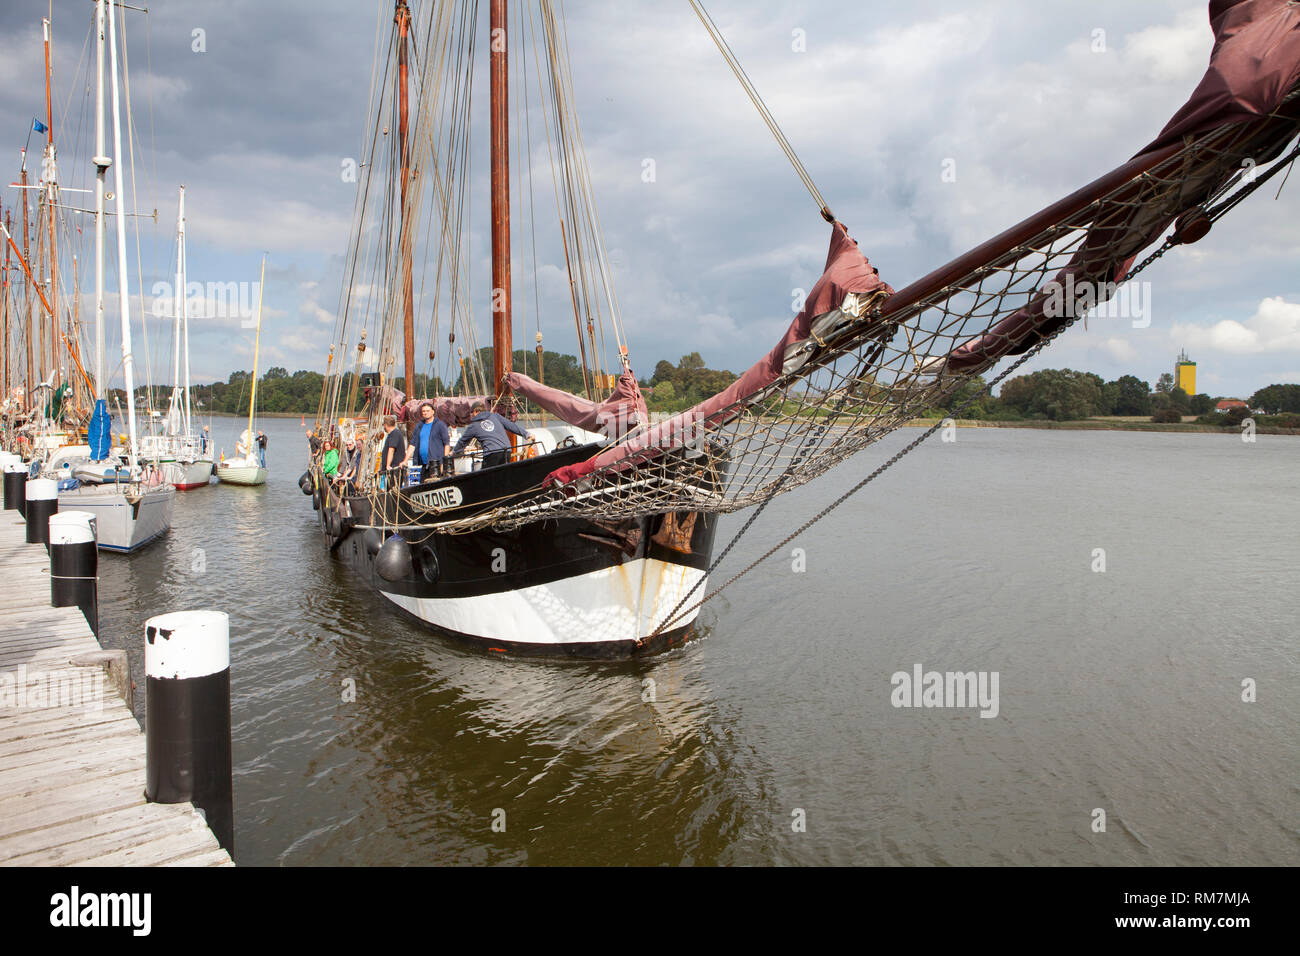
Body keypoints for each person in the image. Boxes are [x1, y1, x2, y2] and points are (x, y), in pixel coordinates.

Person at [452, 401, 530, 469]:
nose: (471, 415)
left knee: (485, 479)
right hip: (507, 451)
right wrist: (526, 434)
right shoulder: (495, 416)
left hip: (491, 454)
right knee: (502, 477)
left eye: (471, 413)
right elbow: (511, 426)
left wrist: (455, 452)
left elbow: (463, 441)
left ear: (475, 411)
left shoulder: (473, 425)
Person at [407, 401, 451, 481]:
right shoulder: (419, 426)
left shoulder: (440, 425)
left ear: (433, 412)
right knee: (422, 485)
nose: (425, 413)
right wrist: (405, 460)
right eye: (423, 411)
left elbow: (446, 444)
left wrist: (444, 463)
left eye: (427, 411)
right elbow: (412, 444)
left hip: (436, 464)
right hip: (422, 464)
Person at [379, 415, 406, 486]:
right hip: (391, 470)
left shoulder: (395, 434)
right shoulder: (393, 434)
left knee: (393, 489)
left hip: (394, 469)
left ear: (385, 425)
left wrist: (388, 465)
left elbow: (391, 450)